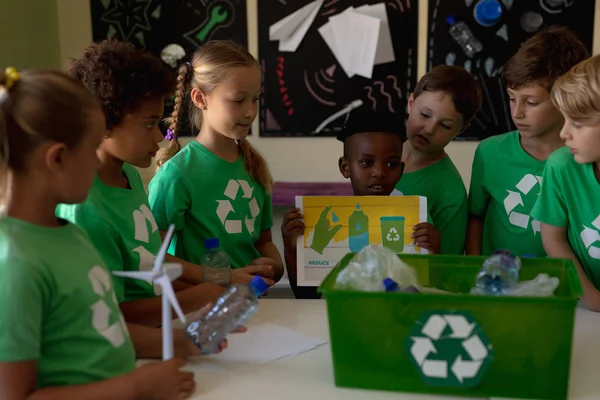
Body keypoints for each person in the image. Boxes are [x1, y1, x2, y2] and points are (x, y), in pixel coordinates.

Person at [0, 67, 196, 399]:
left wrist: (182, 342)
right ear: (58, 158)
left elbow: (98, 328)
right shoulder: (15, 265)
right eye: (92, 149)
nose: (97, 162)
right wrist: (136, 386)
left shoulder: (69, 234)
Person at [55, 40, 228, 327]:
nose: (159, 137)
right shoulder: (85, 208)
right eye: (149, 124)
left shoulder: (129, 175)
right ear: (103, 122)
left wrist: (214, 290)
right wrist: (197, 297)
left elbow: (148, 263)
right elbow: (109, 315)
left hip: (158, 332)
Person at [148, 41, 283, 285]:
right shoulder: (176, 174)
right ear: (200, 98)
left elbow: (263, 242)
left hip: (257, 302)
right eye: (238, 100)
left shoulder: (255, 165)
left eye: (255, 99)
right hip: (201, 308)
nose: (251, 111)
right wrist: (223, 278)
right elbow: (154, 257)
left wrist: (276, 266)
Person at [282, 109, 439, 298]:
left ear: (401, 170)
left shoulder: (417, 221)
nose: (379, 172)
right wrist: (292, 250)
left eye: (391, 164)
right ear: (345, 167)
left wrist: (433, 251)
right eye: (367, 162)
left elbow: (423, 293)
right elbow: (306, 296)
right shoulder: (325, 223)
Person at [466, 26, 589, 257]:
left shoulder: (584, 159)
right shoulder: (489, 152)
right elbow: (475, 216)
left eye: (531, 102)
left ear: (565, 99)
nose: (517, 113)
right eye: (512, 99)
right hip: (499, 284)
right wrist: (475, 269)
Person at [531, 55, 600, 312]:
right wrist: (591, 297)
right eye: (564, 119)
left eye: (578, 123)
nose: (563, 133)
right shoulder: (561, 165)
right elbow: (553, 240)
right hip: (581, 305)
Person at [398, 65, 481, 255]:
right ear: (411, 103)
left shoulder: (451, 191)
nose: (429, 129)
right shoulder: (379, 154)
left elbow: (449, 264)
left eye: (445, 125)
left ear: (461, 130)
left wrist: (435, 248)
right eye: (425, 115)